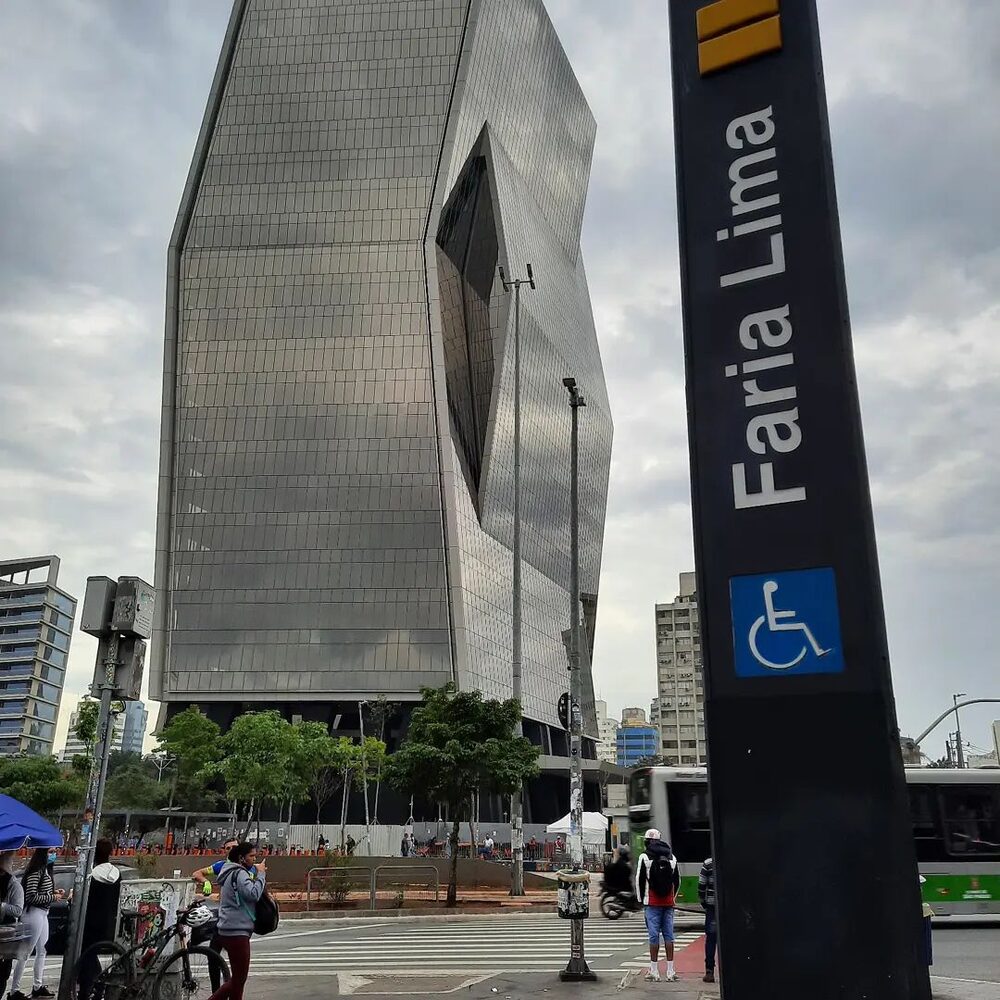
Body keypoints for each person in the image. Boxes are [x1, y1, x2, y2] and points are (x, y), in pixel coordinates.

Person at [206, 842, 266, 1000]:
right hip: (237, 931)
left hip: (227, 928)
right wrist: (261, 875)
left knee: (238, 979)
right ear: (241, 858)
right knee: (239, 979)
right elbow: (253, 894)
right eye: (251, 856)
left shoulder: (228, 872)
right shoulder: (240, 873)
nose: (254, 859)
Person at [8, 847, 63, 1000]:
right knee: (25, 952)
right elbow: (31, 896)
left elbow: (41, 893)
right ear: (43, 853)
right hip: (33, 913)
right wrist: (52, 897)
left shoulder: (46, 871)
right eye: (51, 851)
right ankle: (14, 990)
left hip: (43, 913)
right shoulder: (35, 872)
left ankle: (37, 986)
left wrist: (53, 894)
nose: (54, 854)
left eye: (55, 851)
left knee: (42, 950)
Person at [77, 840, 122, 1000]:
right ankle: (99, 983)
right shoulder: (116, 874)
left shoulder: (92, 875)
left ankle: (88, 987)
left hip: (91, 921)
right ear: (111, 853)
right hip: (110, 921)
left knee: (86, 954)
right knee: (93, 953)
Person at [635, 828, 680, 983]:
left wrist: (642, 900)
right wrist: (672, 899)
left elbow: (639, 880)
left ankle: (654, 971)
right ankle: (670, 971)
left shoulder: (644, 857)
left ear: (647, 841)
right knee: (669, 936)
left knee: (654, 936)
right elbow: (677, 881)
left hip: (651, 903)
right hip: (668, 904)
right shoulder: (671, 857)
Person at [0, 850, 25, 998]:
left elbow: (17, 910)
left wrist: (2, 906)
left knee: (2, 972)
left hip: (6, 932)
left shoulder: (14, 885)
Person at [698, 856, 717, 983]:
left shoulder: (708, 863)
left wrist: (703, 902)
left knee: (711, 939)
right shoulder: (733, 859)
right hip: (730, 907)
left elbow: (701, 886)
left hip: (712, 907)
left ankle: (709, 971)